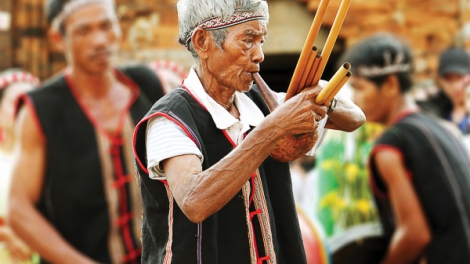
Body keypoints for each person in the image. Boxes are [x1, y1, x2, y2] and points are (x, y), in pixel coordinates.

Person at [133, 0, 366, 263]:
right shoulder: (170, 118)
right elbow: (194, 201)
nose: (259, 55)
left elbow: (356, 118)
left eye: (261, 41)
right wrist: (275, 126)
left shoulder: (260, 105)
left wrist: (321, 96)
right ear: (202, 42)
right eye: (248, 40)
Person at [8, 0, 165, 263]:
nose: (100, 40)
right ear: (58, 39)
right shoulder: (40, 110)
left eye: (106, 25)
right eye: (84, 31)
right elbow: (18, 209)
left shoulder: (146, 87)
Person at [344, 33, 470, 264]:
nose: (355, 99)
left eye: (360, 88)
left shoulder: (389, 149)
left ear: (391, 84)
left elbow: (414, 235)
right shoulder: (444, 128)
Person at [0, 70, 38, 263]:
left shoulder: (52, 160)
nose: (24, 110)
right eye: (16, 102)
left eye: (32, 103)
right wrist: (7, 236)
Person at [419, 47, 470, 134]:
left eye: (460, 77)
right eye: (449, 79)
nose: (456, 86)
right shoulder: (435, 107)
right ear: (441, 80)